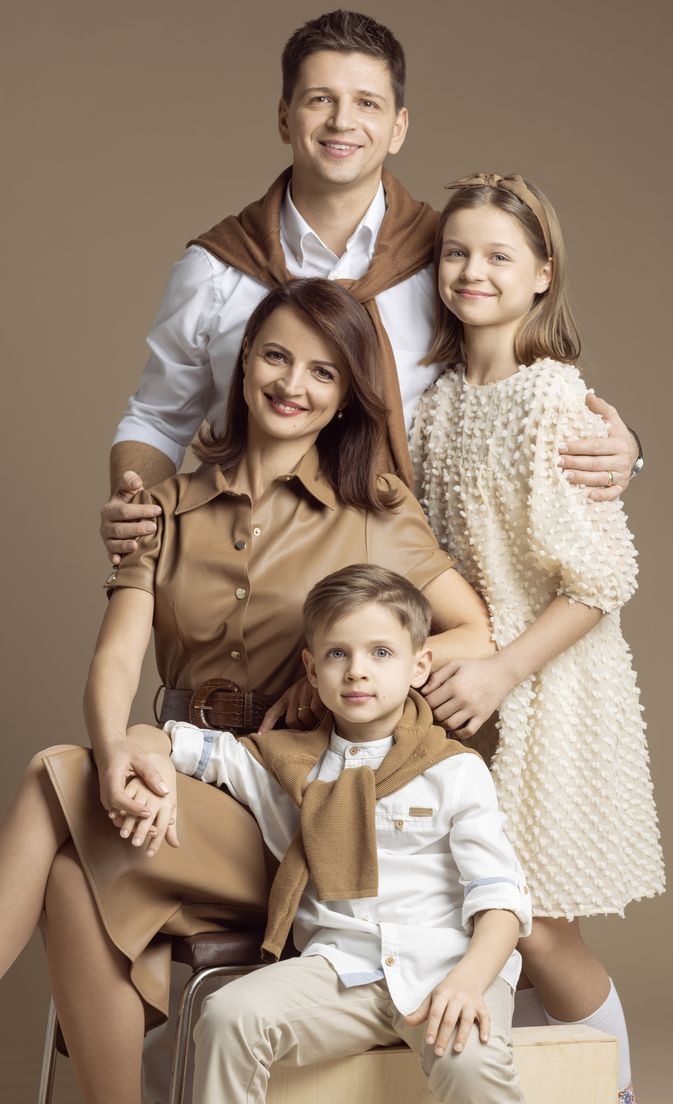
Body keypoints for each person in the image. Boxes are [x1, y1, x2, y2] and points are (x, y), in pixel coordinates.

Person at [0, 279, 495, 1104]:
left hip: (291, 807)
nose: (291, 386)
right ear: (242, 366)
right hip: (174, 777)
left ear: (346, 399)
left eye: (323, 373)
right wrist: (128, 752)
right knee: (65, 876)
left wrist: (335, 690)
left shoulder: (373, 512)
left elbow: (473, 633)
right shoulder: (166, 510)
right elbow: (118, 659)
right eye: (275, 356)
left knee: (57, 768)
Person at [101, 9, 641, 579]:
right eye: (319, 99)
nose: (342, 122)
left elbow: (516, 387)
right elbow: (158, 418)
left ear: (399, 127)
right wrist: (134, 504)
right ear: (285, 118)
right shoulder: (213, 270)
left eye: (367, 103)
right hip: (245, 575)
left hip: (405, 585)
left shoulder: (446, 259)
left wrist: (623, 446)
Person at [410, 172, 665, 1104]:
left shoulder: (553, 399)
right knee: (475, 915)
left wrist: (502, 669)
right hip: (467, 691)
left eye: (499, 256)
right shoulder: (434, 404)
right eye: (456, 252)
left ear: (543, 277)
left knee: (536, 925)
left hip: (548, 689)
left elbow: (603, 579)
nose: (473, 271)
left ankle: (618, 1091)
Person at [118, 563, 532, 1103]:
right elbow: (186, 745)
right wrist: (141, 748)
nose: (358, 671)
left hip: (448, 970)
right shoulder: (284, 765)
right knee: (226, 1017)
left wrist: (469, 980)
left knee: (470, 1065)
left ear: (418, 664)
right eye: (339, 654)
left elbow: (500, 898)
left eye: (381, 653)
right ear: (311, 671)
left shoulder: (454, 770)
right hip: (340, 971)